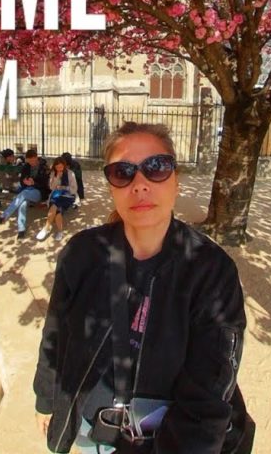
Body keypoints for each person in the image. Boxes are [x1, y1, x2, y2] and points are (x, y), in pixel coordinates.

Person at [34, 122, 253, 454]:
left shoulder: (210, 271)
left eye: (156, 168)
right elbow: (55, 333)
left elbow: (208, 397)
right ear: (111, 186)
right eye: (123, 173)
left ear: (176, 179)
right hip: (90, 429)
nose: (139, 184)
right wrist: (46, 399)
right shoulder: (82, 253)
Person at [0, 148, 49, 239]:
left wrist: (34, 183)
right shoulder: (26, 166)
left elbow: (46, 184)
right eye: (29, 161)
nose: (32, 163)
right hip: (27, 189)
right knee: (22, 204)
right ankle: (21, 230)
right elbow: (22, 180)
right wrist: (25, 181)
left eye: (33, 161)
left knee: (23, 194)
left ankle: (4, 216)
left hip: (39, 192)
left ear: (36, 157)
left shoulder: (44, 167)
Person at [36, 156, 78, 241]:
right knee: (57, 209)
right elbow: (51, 187)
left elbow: (74, 189)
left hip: (68, 196)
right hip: (56, 195)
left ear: (64, 165)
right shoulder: (53, 174)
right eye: (57, 167)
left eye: (61, 167)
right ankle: (59, 231)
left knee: (55, 204)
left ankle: (46, 228)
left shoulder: (70, 173)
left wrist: (64, 187)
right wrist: (56, 178)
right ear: (55, 167)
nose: (59, 169)